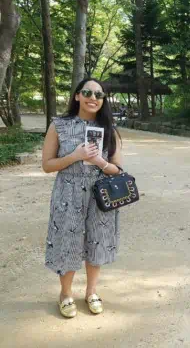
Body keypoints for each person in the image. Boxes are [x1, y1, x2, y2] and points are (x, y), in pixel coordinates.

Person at [41, 78, 123, 318]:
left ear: (103, 100)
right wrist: (75, 156)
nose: (93, 98)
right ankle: (65, 294)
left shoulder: (110, 129)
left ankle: (91, 292)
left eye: (99, 95)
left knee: (96, 240)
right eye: (87, 92)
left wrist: (100, 162)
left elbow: (118, 169)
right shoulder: (59, 125)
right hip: (68, 192)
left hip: (101, 194)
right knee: (67, 240)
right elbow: (47, 165)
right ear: (77, 96)